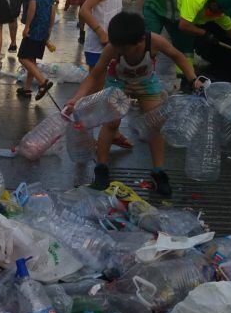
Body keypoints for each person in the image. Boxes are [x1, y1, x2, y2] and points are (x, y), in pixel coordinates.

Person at [66, 11, 204, 196]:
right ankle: (101, 169)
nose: (120, 51)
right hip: (118, 83)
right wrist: (77, 98)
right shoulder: (113, 47)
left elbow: (178, 56)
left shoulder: (154, 41)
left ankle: (159, 172)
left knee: (154, 124)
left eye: (124, 48)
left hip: (146, 83)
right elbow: (95, 74)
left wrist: (193, 79)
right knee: (111, 123)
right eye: (117, 47)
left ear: (139, 41)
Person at [78, 0, 142, 150]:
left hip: (111, 49)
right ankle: (88, 138)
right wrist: (101, 33)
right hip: (98, 49)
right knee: (96, 97)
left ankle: (111, 131)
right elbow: (84, 10)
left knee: (109, 95)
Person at [143, 0, 231, 65]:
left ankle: (186, 77)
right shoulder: (196, 0)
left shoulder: (219, 11)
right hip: (155, 7)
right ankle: (143, 73)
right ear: (214, 3)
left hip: (174, 15)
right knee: (152, 41)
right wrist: (204, 33)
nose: (222, 14)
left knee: (186, 44)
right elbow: (184, 25)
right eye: (221, 10)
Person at [14, 0, 56, 101]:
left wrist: (26, 27)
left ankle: (43, 82)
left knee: (22, 57)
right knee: (31, 58)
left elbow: (32, 5)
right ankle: (26, 89)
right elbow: (52, 8)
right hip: (44, 28)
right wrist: (49, 28)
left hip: (35, 27)